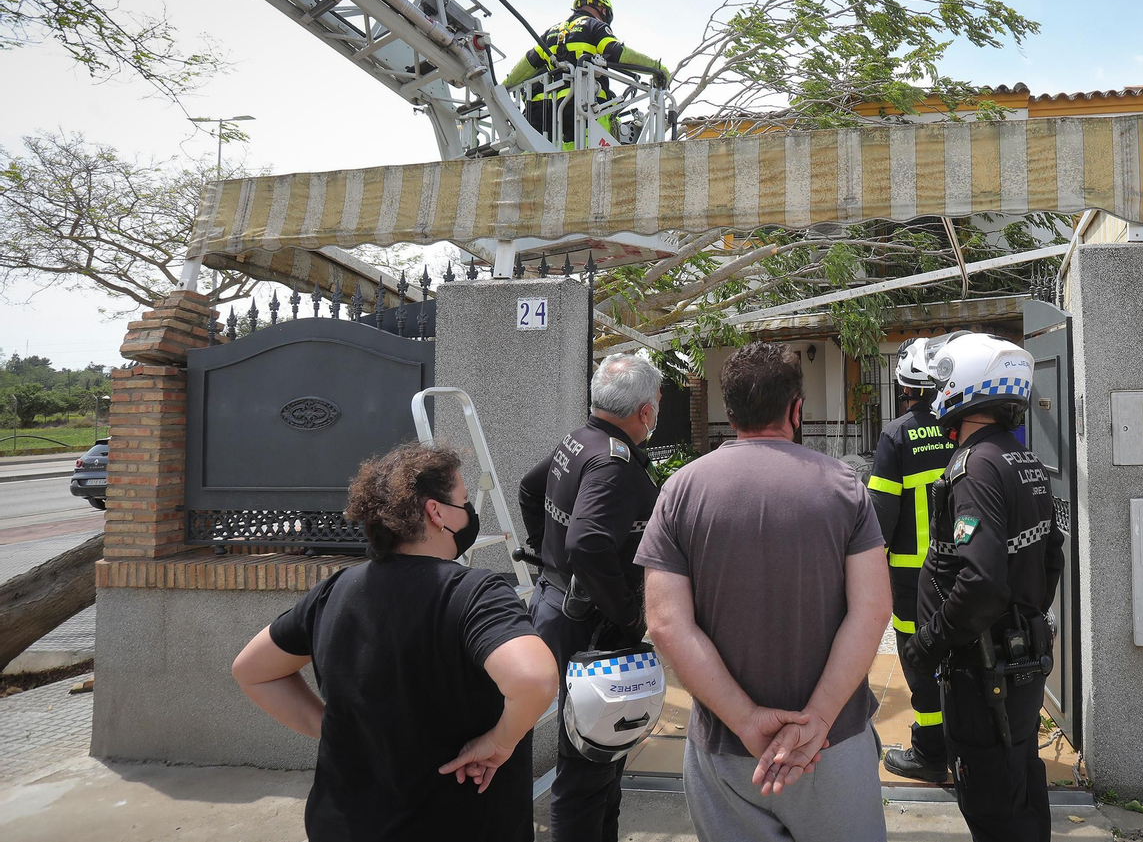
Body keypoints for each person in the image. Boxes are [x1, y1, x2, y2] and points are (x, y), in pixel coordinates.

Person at [232, 442, 559, 842]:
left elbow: (251, 671)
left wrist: (332, 729)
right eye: (464, 501)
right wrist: (499, 741)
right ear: (436, 512)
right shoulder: (474, 592)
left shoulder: (335, 590)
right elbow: (535, 680)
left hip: (342, 825)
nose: (470, 513)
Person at [635, 341, 892, 842]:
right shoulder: (844, 487)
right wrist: (817, 719)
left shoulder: (681, 490)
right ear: (796, 410)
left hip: (726, 754)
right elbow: (873, 609)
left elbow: (665, 624)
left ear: (729, 412)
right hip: (831, 744)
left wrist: (746, 720)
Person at [900, 332, 1064, 842]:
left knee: (992, 803)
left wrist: (930, 642)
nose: (937, 392)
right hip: (1017, 663)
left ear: (967, 388)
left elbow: (982, 581)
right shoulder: (1022, 459)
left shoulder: (974, 468)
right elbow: (1051, 556)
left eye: (945, 380)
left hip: (983, 670)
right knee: (1021, 784)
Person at [518, 353, 663, 842]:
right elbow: (587, 542)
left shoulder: (579, 440)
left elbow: (528, 489)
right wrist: (627, 612)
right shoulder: (612, 462)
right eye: (658, 401)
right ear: (645, 411)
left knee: (605, 753)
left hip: (559, 609)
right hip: (591, 627)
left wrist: (548, 559)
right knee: (587, 765)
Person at [869, 336, 956, 783]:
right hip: (962, 572)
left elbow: (878, 520)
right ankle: (964, 745)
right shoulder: (961, 427)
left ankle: (929, 752)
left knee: (918, 659)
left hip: (911, 579)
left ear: (904, 387)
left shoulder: (896, 435)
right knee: (958, 653)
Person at [501, 0, 671, 146]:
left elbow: (526, 65)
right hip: (590, 110)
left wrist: (501, 88)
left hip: (555, 116)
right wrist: (656, 68)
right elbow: (617, 52)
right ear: (603, 10)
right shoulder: (594, 25)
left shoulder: (551, 33)